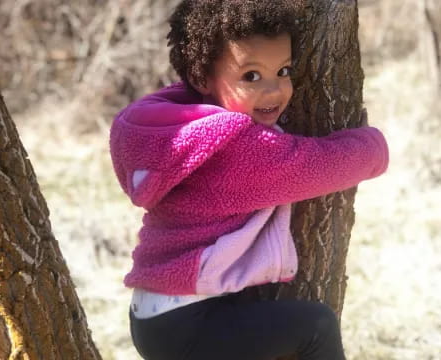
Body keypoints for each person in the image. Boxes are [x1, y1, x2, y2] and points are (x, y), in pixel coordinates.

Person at [109, 1, 389, 359]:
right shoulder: (233, 150)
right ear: (201, 79)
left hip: (158, 315)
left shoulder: (184, 129)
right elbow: (317, 167)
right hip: (187, 324)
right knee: (315, 327)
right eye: (251, 76)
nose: (274, 90)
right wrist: (374, 146)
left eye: (283, 71)